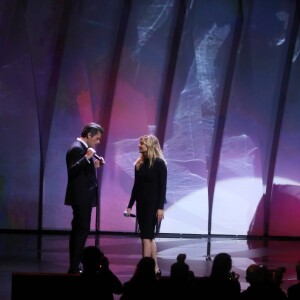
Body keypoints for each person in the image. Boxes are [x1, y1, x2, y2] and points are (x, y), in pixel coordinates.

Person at [124, 134, 167, 277]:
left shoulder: (159, 163)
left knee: (145, 237)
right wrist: (129, 206)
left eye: (141, 143)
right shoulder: (139, 164)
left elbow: (163, 187)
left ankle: (144, 271)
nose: (139, 145)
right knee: (150, 237)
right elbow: (136, 187)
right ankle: (155, 268)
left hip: (153, 206)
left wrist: (160, 208)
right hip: (141, 205)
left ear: (149, 145)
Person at [65, 122, 105, 274]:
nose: (98, 142)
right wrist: (87, 157)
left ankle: (75, 265)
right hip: (80, 197)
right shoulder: (77, 148)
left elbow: (81, 171)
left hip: (83, 196)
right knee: (80, 231)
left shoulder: (82, 148)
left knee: (81, 230)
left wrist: (93, 165)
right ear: (89, 135)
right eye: (97, 138)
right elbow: (72, 170)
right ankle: (74, 267)